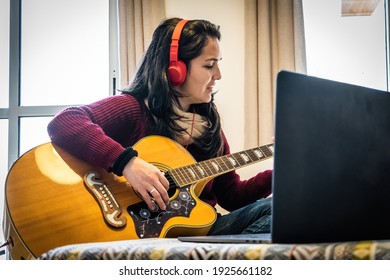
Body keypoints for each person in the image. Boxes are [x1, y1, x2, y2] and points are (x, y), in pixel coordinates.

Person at [47, 17, 272, 236]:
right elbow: (65, 121)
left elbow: (232, 196)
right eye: (209, 65)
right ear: (175, 68)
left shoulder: (210, 127)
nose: (218, 75)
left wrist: (282, 171)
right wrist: (128, 164)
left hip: (201, 229)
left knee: (288, 209)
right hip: (128, 226)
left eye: (217, 65)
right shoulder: (133, 109)